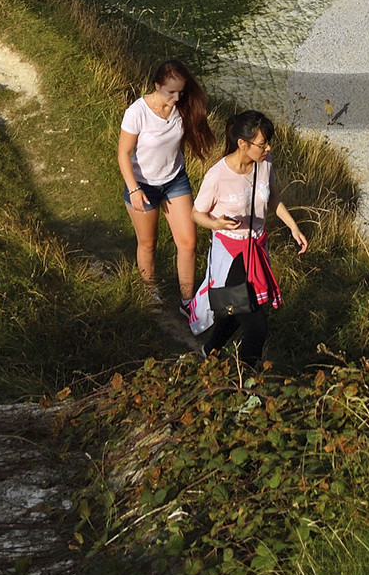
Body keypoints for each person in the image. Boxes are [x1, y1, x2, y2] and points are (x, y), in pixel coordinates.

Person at [187, 110, 308, 366]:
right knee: (256, 325)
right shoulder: (217, 175)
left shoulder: (265, 163)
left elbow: (272, 196)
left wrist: (293, 227)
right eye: (263, 144)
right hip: (231, 256)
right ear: (243, 144)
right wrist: (216, 223)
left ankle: (210, 351)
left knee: (233, 312)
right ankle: (247, 381)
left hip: (257, 249)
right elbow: (196, 213)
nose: (268, 148)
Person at [117, 61, 214, 313]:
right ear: (157, 85)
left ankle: (187, 301)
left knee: (188, 243)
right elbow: (123, 153)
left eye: (180, 92)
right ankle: (149, 292)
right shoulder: (137, 112)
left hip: (175, 181)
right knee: (148, 243)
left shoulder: (181, 108)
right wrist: (134, 189)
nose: (176, 97)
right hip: (143, 186)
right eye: (170, 92)